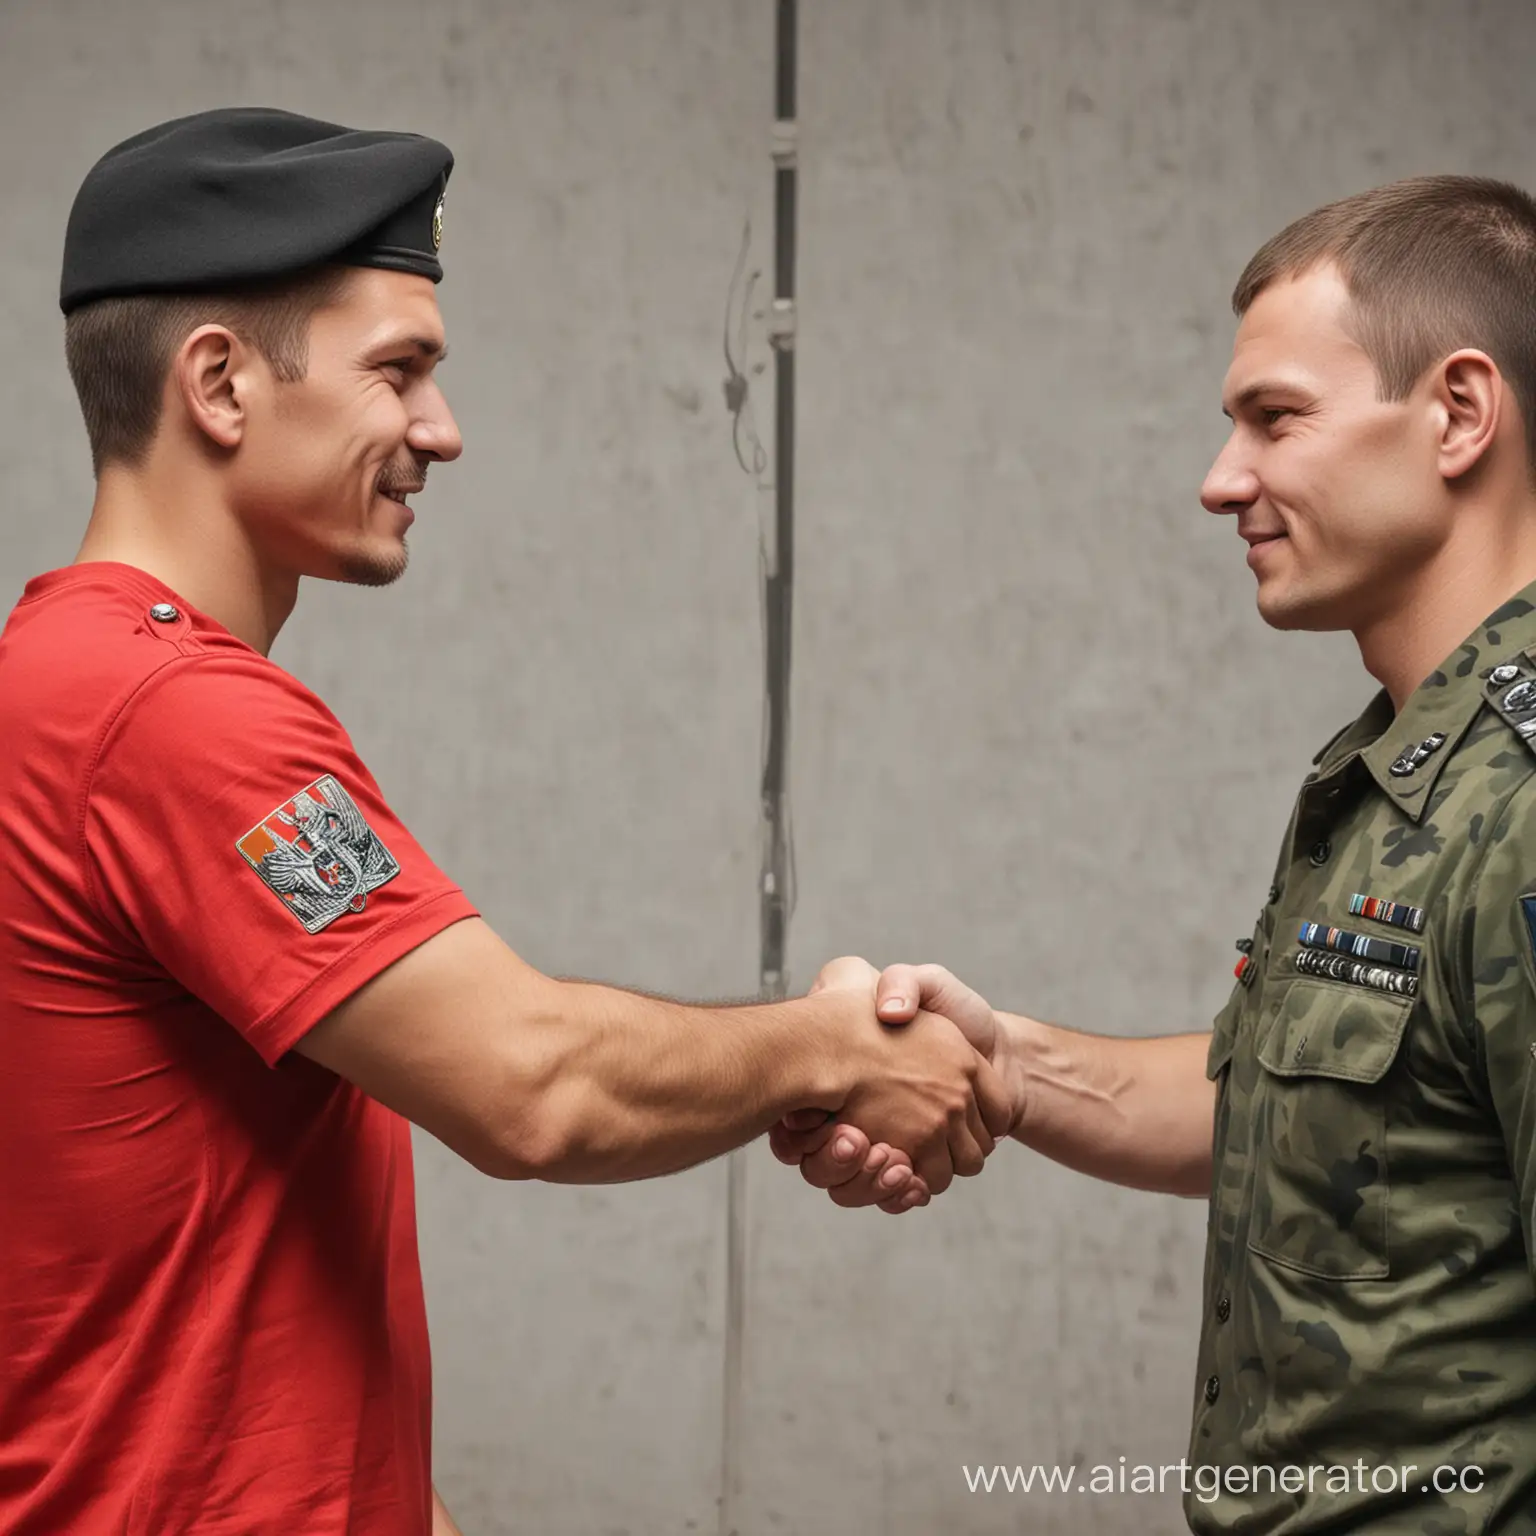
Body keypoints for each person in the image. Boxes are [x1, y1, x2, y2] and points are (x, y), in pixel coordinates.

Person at [0, 107, 1011, 1536]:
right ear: (219, 385)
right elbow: (536, 1091)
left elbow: (202, 1251)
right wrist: (836, 1043)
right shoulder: (170, 717)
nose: (442, 431)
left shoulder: (56, 683)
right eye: (398, 372)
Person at [781, 175, 1536, 1532]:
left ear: (1460, 415)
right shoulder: (1396, 769)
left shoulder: (1523, 800)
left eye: (1277, 419)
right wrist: (996, 1063)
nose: (1220, 480)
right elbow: (1278, 1104)